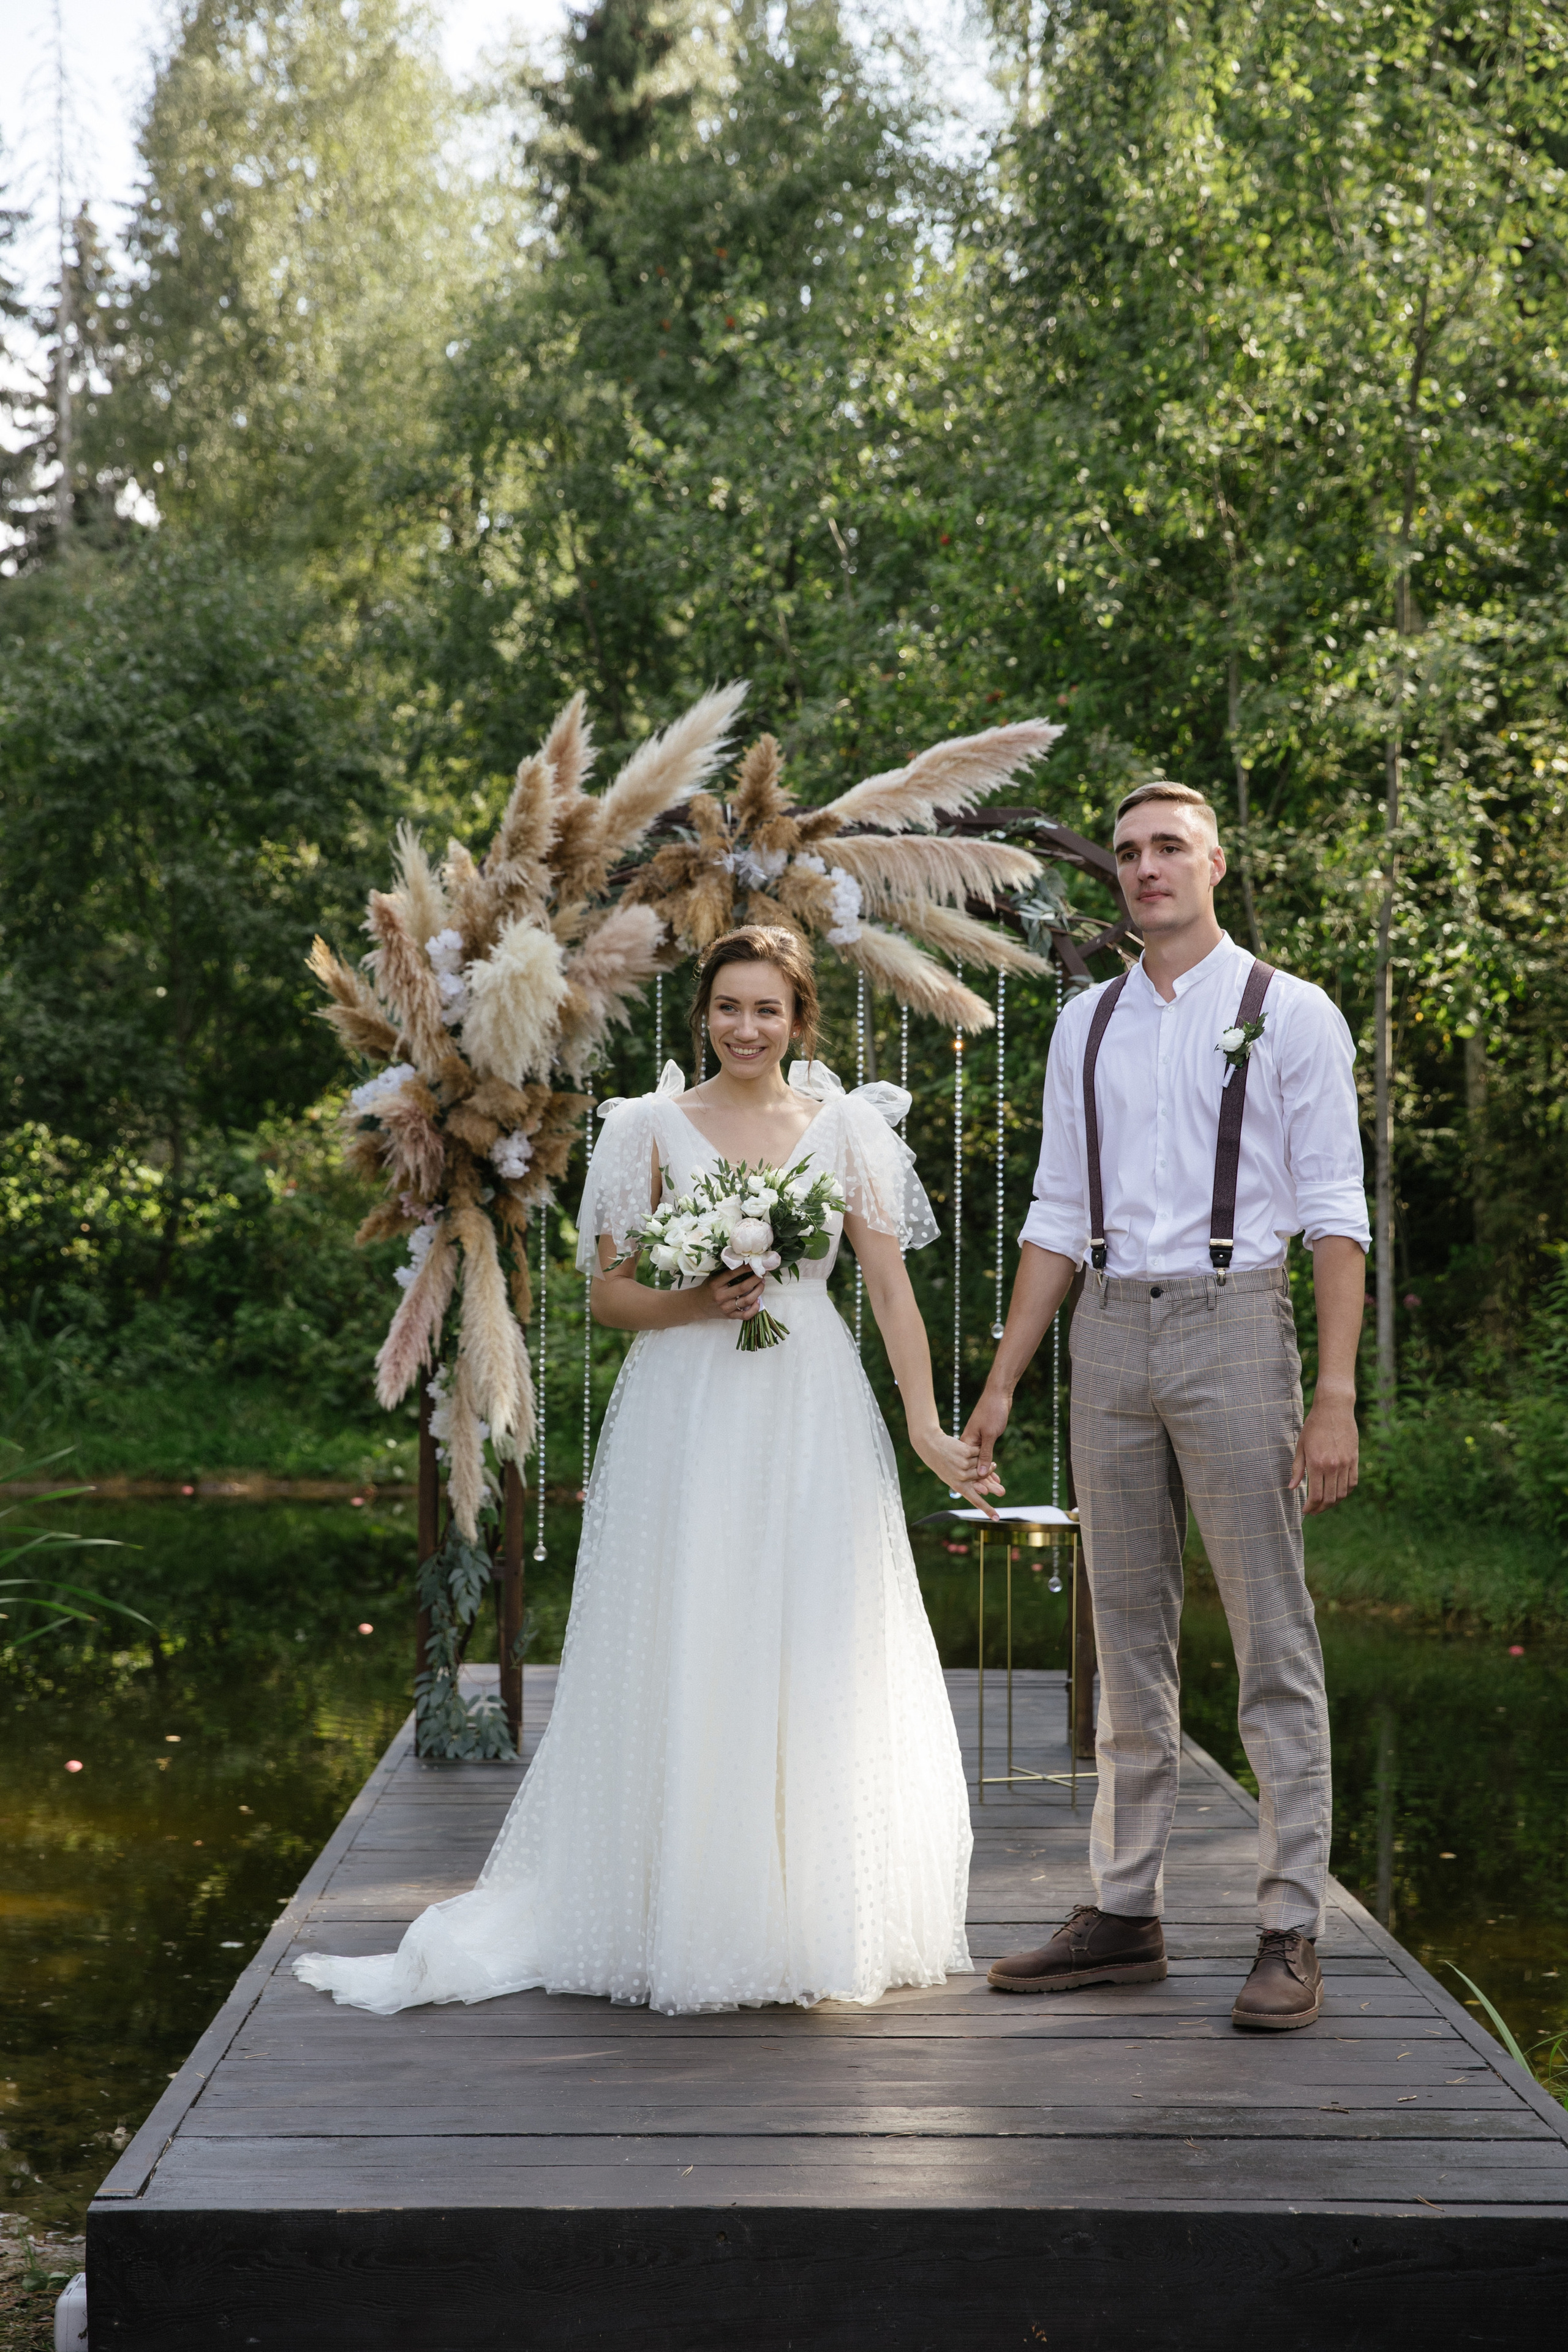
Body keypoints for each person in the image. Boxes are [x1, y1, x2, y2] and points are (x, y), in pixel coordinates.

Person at [295, 925, 998, 2018]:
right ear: (703, 1015)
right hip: (692, 1403)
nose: (747, 1027)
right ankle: (685, 1898)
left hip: (809, 1401)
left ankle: (803, 1904)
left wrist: (923, 1425)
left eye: (768, 1009)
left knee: (810, 1630)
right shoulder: (652, 1128)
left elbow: (890, 1290)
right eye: (729, 1007)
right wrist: (695, 1302)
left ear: (799, 1017)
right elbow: (609, 1297)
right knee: (698, 1624)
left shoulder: (847, 1127)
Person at [967, 783, 1368, 2031]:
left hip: (1236, 1324)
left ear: (1212, 864)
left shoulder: (1287, 1013)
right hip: (1108, 1331)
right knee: (1123, 1640)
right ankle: (1125, 1911)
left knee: (1269, 1641)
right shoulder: (1082, 1023)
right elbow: (1048, 1213)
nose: (1144, 870)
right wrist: (997, 1386)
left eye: (1166, 850)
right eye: (1129, 853)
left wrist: (1334, 1395)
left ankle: (1287, 1928)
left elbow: (1334, 1215)